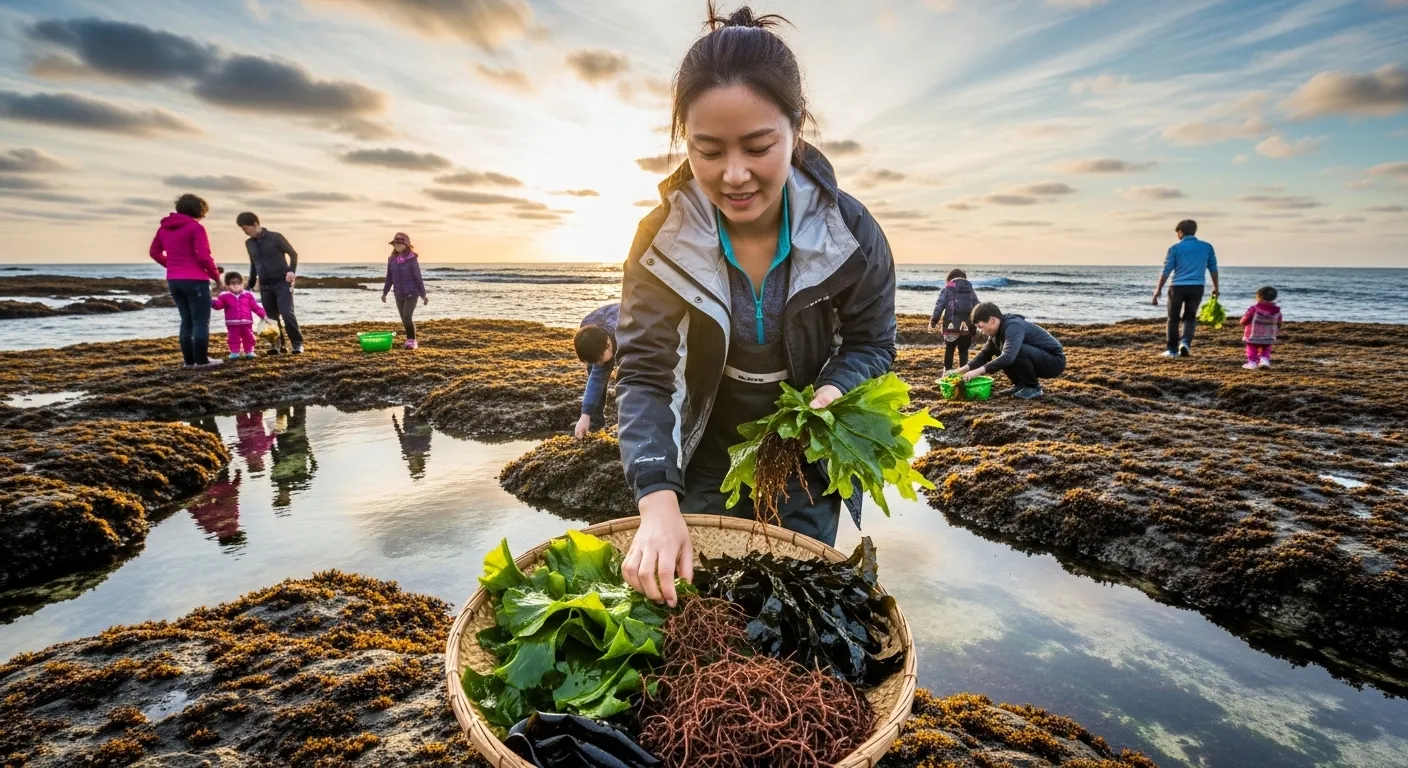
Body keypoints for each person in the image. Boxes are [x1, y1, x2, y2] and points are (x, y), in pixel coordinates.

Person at [615, 6, 897, 606]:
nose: (734, 175)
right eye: (708, 150)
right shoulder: (661, 239)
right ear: (684, 141)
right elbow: (644, 373)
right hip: (702, 451)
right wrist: (657, 498)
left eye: (758, 146)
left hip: (802, 457)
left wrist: (830, 394)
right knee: (693, 613)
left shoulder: (851, 234)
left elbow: (872, 345)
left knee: (793, 609)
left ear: (796, 129)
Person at [149, 193, 222, 368]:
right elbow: (204, 257)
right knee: (200, 322)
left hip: (174, 280)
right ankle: (202, 360)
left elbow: (154, 253)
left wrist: (172, 265)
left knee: (186, 320)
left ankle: (189, 362)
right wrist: (216, 277)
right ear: (199, 210)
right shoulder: (196, 228)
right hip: (196, 279)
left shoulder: (164, 228)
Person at [955, 302, 1065, 399]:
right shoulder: (997, 333)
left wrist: (978, 372)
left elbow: (1008, 357)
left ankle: (1033, 388)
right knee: (1003, 351)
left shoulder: (1013, 326)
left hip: (1054, 361)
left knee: (1012, 352)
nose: (980, 331)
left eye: (980, 326)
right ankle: (1020, 385)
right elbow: (984, 354)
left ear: (992, 320)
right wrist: (961, 371)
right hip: (1038, 357)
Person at [237, 211, 304, 354]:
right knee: (272, 318)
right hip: (265, 286)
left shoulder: (275, 237)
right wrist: (251, 283)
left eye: (246, 229)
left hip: (282, 283)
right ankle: (278, 345)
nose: (245, 233)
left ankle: (297, 343)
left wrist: (291, 271)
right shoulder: (249, 243)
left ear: (255, 225)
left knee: (287, 313)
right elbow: (253, 263)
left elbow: (293, 253)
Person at [1153, 218, 1219, 358]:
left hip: (1177, 287)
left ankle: (1172, 350)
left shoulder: (1175, 248)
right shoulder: (1207, 247)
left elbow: (1167, 270)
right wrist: (1215, 287)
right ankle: (1185, 343)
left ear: (1181, 232)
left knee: (1173, 318)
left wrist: (1158, 290)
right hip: (1197, 287)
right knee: (1190, 317)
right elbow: (1213, 268)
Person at [574, 303, 619, 439]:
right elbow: (596, 379)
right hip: (601, 324)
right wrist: (585, 415)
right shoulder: (587, 331)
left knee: (628, 377)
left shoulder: (629, 336)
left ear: (608, 344)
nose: (599, 364)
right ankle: (595, 420)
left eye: (600, 358)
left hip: (628, 321)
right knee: (596, 372)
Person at [381, 232, 428, 349]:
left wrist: (423, 295)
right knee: (404, 318)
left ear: (406, 245)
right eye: (395, 244)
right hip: (398, 293)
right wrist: (384, 293)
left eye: (400, 243)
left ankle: (412, 341)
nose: (397, 246)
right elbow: (389, 277)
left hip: (412, 292)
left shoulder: (412, 259)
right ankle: (409, 340)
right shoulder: (391, 259)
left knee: (407, 317)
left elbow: (418, 277)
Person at [928, 269, 980, 371]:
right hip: (966, 329)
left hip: (950, 327)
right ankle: (963, 372)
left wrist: (934, 321)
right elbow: (977, 307)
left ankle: (947, 371)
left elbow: (939, 305)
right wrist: (976, 325)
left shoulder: (948, 288)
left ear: (950, 278)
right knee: (964, 351)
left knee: (949, 350)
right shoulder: (970, 290)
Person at [211, 271, 267, 360]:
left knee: (249, 337)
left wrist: (264, 315)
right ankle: (234, 352)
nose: (236, 285)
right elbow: (218, 305)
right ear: (227, 285)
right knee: (233, 338)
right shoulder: (224, 296)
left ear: (242, 283)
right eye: (233, 284)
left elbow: (255, 307)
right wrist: (211, 301)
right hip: (232, 323)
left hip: (246, 322)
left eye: (238, 283)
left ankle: (249, 351)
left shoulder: (248, 295)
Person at [1240, 285, 1282, 370]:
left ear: (1258, 297)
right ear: (1274, 298)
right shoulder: (1277, 311)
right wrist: (1276, 330)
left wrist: (1243, 322)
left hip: (1253, 334)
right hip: (1269, 334)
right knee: (1266, 347)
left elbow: (1246, 319)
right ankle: (1264, 360)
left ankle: (1252, 362)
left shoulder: (1254, 308)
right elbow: (1279, 323)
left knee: (1251, 347)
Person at [393, 406, 434, 479]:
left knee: (409, 408)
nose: (412, 464)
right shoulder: (424, 449)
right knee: (410, 408)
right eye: (413, 467)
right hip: (415, 426)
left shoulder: (409, 451)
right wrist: (395, 423)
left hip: (412, 425)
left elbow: (400, 436)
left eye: (411, 467)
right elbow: (428, 434)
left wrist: (395, 423)